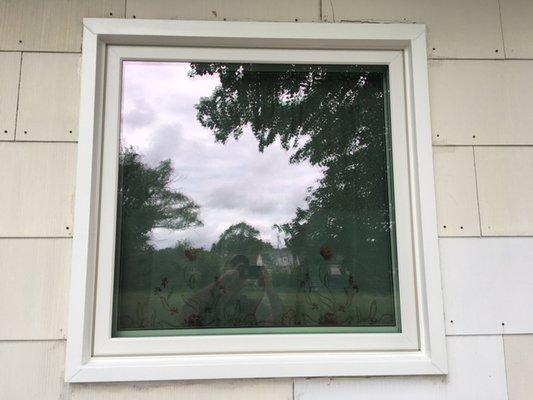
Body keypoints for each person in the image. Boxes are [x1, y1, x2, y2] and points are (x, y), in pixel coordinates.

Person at [182, 254, 284, 328]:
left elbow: (277, 320)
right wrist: (220, 282)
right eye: (236, 267)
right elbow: (187, 311)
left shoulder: (253, 306)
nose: (239, 273)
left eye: (244, 269)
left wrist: (269, 287)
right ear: (224, 271)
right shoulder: (209, 303)